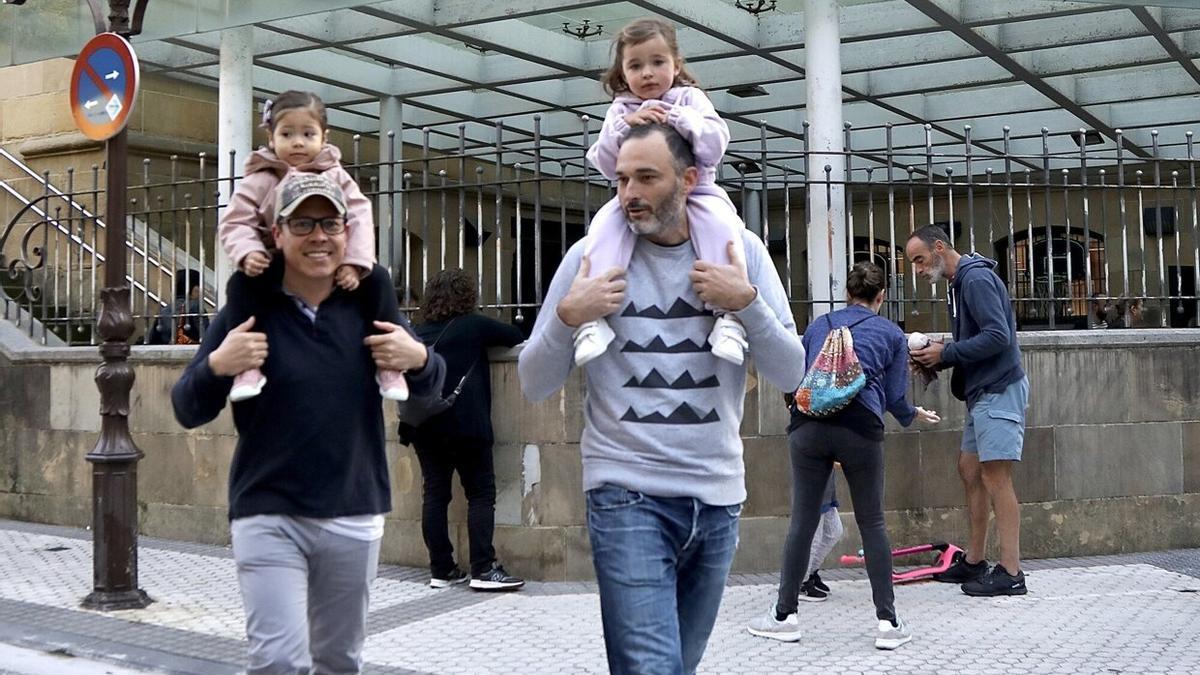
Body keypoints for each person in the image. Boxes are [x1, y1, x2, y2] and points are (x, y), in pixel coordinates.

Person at [519, 123, 805, 674]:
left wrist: (745, 303)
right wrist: (566, 317)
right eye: (622, 179)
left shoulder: (737, 253)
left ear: (690, 179)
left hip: (717, 499)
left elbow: (792, 372)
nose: (629, 193)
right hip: (626, 493)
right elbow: (533, 382)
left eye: (646, 177)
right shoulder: (591, 258)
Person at [171, 173, 445, 674]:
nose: (319, 236)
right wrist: (218, 365)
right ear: (276, 233)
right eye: (302, 223)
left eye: (330, 223)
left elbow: (432, 388)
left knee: (338, 661)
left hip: (352, 512)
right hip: (268, 511)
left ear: (346, 230)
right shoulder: (248, 308)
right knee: (278, 660)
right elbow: (187, 407)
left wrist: (420, 357)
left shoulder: (366, 300)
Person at [748, 262, 940, 648]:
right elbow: (895, 398)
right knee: (872, 523)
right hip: (861, 430)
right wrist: (910, 415)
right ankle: (888, 624)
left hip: (809, 427)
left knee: (802, 521)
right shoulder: (890, 333)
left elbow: (794, 375)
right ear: (881, 296)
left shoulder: (821, 325)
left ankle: (784, 616)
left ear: (847, 293)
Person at [571, 18, 749, 368]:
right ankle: (594, 316)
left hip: (699, 190)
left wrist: (680, 119)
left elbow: (715, 146)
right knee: (603, 229)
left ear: (676, 65)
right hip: (637, 198)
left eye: (657, 62)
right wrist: (623, 128)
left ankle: (729, 317)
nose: (647, 73)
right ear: (623, 73)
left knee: (723, 228)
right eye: (636, 66)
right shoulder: (620, 109)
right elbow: (607, 166)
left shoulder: (689, 98)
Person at [217, 89, 408, 402]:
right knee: (241, 287)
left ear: (324, 136)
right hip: (271, 262)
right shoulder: (261, 178)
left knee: (378, 280)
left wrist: (354, 263)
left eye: (308, 134)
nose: (297, 142)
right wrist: (247, 250)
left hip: (330, 264)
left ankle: (389, 363)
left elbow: (359, 216)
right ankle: (247, 366)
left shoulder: (335, 175)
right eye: (287, 134)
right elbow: (236, 220)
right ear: (270, 136)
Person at [907, 225, 1029, 597]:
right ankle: (975, 561)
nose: (917, 268)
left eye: (920, 259)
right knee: (970, 469)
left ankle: (1011, 571)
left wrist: (946, 353)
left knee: (996, 477)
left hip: (998, 389)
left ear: (939, 248)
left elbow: (997, 337)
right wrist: (940, 356)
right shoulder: (962, 283)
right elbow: (979, 340)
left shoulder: (974, 281)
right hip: (984, 391)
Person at [400, 268, 527, 591]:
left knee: (435, 494)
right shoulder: (472, 326)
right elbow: (515, 336)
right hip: (466, 425)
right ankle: (484, 569)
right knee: (481, 494)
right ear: (467, 296)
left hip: (424, 427)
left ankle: (441, 569)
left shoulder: (416, 331)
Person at [146, 269, 206, 344]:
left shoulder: (164, 310)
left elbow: (152, 339)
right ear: (195, 289)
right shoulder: (196, 306)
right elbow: (207, 337)